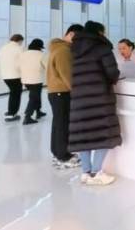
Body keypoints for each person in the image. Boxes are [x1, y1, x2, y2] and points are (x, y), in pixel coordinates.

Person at [68, 21, 121, 186]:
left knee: (84, 135)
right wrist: (114, 77)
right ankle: (97, 172)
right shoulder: (102, 48)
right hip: (99, 98)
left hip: (79, 98)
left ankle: (85, 172)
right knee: (103, 134)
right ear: (99, 32)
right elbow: (112, 72)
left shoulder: (74, 49)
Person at [47, 24, 84, 169]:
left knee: (58, 124)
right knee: (62, 124)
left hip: (55, 92)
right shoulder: (63, 51)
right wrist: (77, 91)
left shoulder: (57, 48)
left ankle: (57, 153)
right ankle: (63, 156)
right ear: (71, 34)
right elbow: (67, 75)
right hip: (61, 92)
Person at [19, 39, 48, 125]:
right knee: (34, 97)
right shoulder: (41, 55)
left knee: (36, 95)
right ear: (39, 47)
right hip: (36, 79)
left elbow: (19, 65)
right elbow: (47, 66)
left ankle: (38, 111)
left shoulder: (23, 54)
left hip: (25, 79)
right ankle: (27, 117)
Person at [0, 34, 24, 122]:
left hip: (5, 75)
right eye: (21, 42)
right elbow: (21, 62)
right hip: (15, 75)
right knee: (16, 95)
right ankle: (12, 114)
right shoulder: (19, 48)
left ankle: (10, 111)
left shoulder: (3, 48)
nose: (21, 43)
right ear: (20, 40)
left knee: (13, 93)